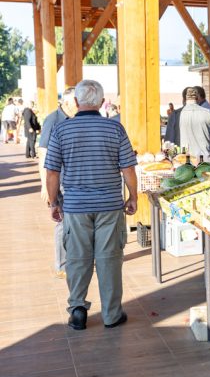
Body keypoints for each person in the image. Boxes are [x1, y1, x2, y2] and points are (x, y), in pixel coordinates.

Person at [44, 79, 138, 330]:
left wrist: (53, 202)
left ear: (76, 102)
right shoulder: (115, 128)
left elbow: (52, 172)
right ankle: (112, 314)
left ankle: (77, 310)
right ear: (102, 102)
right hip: (110, 205)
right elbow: (128, 168)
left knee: (77, 258)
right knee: (109, 259)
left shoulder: (61, 130)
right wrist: (133, 197)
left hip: (75, 206)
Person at [39, 88, 78, 279]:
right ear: (66, 103)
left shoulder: (75, 119)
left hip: (73, 178)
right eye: (75, 102)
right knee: (62, 221)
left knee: (73, 221)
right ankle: (62, 265)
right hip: (58, 179)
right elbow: (43, 153)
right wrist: (44, 184)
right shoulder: (53, 120)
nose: (78, 105)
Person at [179, 87, 210, 158]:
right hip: (205, 157)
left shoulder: (180, 113)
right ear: (197, 98)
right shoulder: (207, 112)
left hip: (187, 157)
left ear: (185, 99)